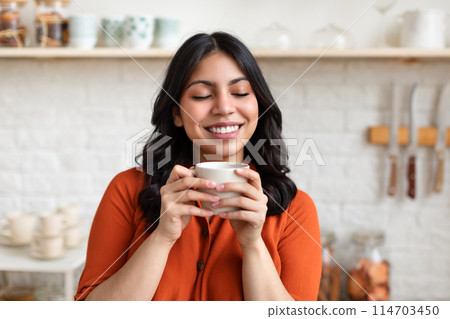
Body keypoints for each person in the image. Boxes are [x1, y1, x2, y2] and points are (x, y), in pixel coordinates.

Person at [75, 32, 321, 301]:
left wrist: (252, 245)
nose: (225, 107)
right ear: (177, 113)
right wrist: (162, 237)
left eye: (239, 92)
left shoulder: (297, 210)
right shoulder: (127, 190)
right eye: (203, 95)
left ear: (259, 106)